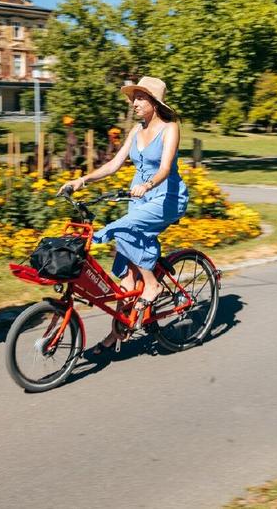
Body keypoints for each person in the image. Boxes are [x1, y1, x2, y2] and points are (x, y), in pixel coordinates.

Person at [59, 76, 189, 355]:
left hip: (165, 196)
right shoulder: (136, 131)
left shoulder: (170, 128)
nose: (134, 103)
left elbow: (165, 168)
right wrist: (82, 180)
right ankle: (117, 332)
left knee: (121, 228)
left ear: (155, 102)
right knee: (128, 276)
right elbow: (114, 164)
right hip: (139, 198)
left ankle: (152, 286)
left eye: (140, 98)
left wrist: (147, 185)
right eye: (134, 98)